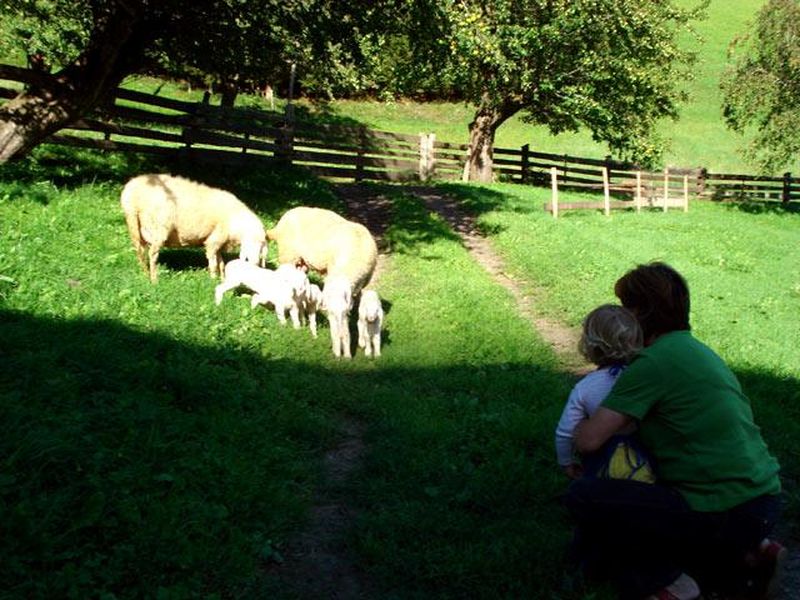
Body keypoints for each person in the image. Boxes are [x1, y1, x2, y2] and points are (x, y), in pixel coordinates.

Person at [563, 262, 784, 600]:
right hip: (764, 499)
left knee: (586, 495)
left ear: (640, 312)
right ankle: (750, 555)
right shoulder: (697, 351)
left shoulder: (651, 363)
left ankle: (668, 583)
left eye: (625, 307)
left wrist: (578, 428)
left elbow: (590, 440)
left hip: (721, 508)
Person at [555, 304, 654, 483]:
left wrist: (566, 463)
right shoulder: (643, 380)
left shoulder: (585, 388)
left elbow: (565, 432)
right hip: (646, 459)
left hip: (601, 461)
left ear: (588, 345)